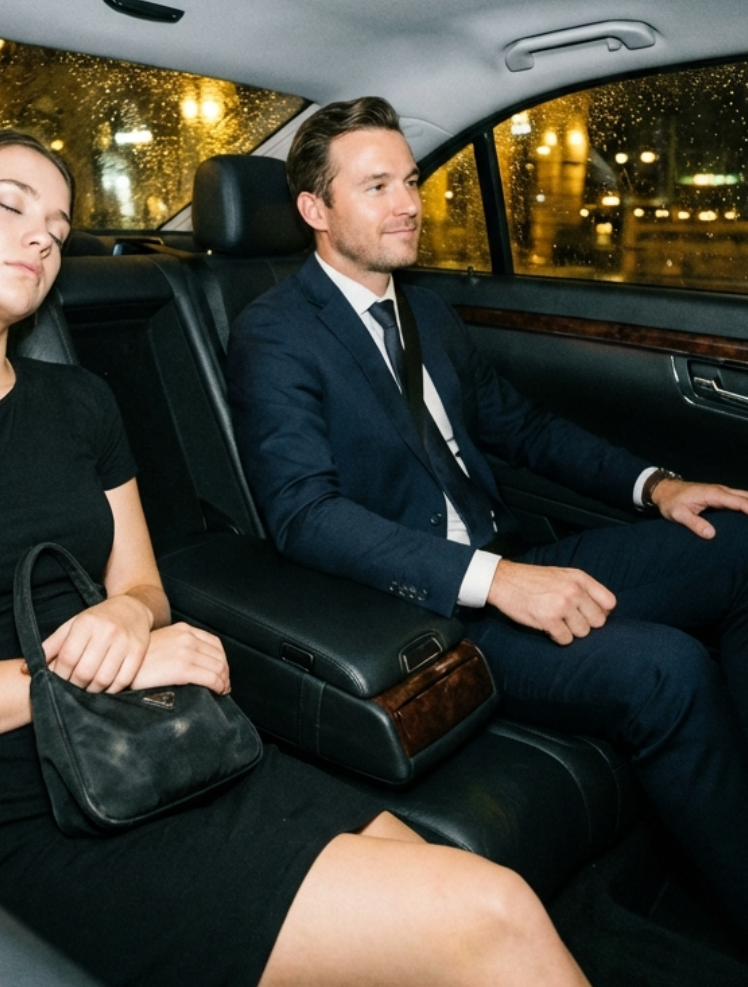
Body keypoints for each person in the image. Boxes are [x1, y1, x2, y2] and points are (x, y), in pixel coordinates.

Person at [0, 129, 589, 987]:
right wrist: (93, 672)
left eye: (58, 225)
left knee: (454, 891)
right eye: (11, 206)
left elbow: (143, 585)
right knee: (493, 913)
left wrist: (128, 617)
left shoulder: (79, 400)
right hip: (12, 807)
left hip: (164, 742)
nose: (42, 237)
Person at [226, 97, 748, 938]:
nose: (409, 204)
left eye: (410, 181)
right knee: (669, 669)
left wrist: (656, 486)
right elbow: (303, 515)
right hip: (437, 614)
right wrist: (495, 581)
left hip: (514, 556)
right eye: (377, 186)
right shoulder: (276, 333)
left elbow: (524, 429)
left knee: (734, 542)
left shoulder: (425, 311)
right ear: (315, 211)